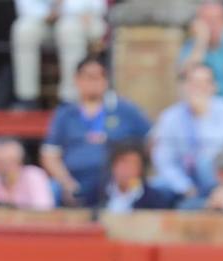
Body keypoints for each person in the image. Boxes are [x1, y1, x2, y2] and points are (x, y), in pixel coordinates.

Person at [40, 56, 151, 207]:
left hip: (115, 182)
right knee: (49, 191)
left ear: (106, 80)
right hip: (75, 180)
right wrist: (67, 183)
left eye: (99, 76)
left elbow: (151, 141)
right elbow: (50, 155)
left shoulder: (125, 109)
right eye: (89, 77)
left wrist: (133, 172)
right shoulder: (65, 113)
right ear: (77, 79)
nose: (94, 82)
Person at [150, 63, 223, 203]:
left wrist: (202, 116)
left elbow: (218, 150)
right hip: (183, 180)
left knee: (204, 162)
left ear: (213, 86)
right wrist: (185, 187)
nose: (198, 89)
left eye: (203, 83)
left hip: (217, 177)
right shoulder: (170, 116)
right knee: (154, 187)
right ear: (185, 87)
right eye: (193, 83)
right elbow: (164, 159)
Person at [11, 0, 106, 108]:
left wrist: (67, 9)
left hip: (81, 20)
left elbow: (98, 6)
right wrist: (47, 13)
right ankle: (27, 98)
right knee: (23, 29)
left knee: (69, 29)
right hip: (44, 19)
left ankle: (71, 97)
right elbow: (25, 7)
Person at [0, 137, 54, 209]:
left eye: (9, 161)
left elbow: (44, 209)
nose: (5, 168)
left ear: (19, 161)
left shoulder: (34, 176)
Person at [101, 140, 176, 213]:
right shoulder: (97, 193)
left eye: (133, 164)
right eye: (123, 162)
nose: (127, 169)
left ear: (141, 169)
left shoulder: (154, 199)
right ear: (113, 165)